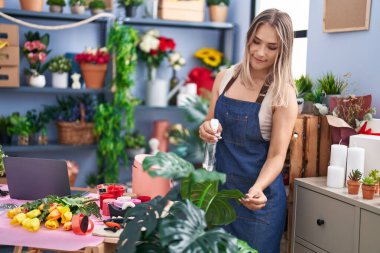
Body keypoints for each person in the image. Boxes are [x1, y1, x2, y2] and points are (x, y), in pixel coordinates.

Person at [199, 8, 298, 253]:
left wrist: (257, 189)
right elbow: (209, 123)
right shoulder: (225, 78)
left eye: (271, 47)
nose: (260, 52)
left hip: (258, 204)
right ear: (249, 39)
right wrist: (205, 130)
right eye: (256, 42)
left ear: (283, 50)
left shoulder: (282, 93)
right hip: (220, 197)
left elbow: (277, 155)